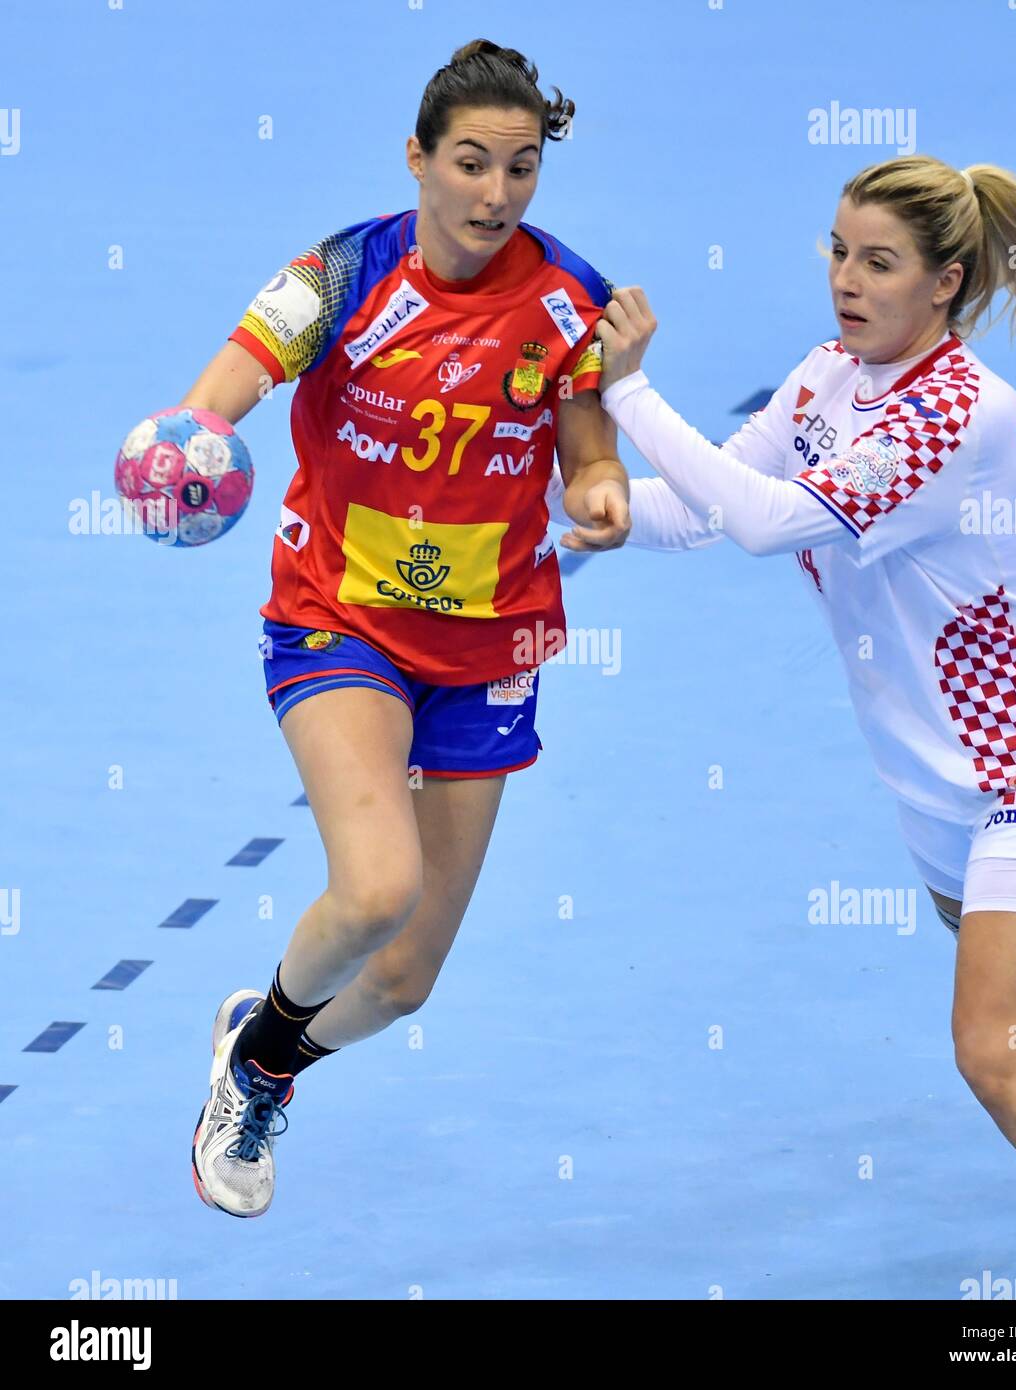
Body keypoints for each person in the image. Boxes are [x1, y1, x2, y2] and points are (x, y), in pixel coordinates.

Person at [569, 155, 1016, 1294]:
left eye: (879, 262)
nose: (846, 280)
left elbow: (775, 523)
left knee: (1003, 1053)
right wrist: (565, 519)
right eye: (837, 251)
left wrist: (628, 395)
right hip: (937, 779)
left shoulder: (964, 411)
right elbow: (702, 510)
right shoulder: (831, 376)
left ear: (946, 284)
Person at [179, 39, 630, 1218]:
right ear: (419, 158)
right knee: (376, 887)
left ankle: (264, 1044)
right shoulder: (343, 276)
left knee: (404, 978)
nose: (497, 194)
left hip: (492, 645)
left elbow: (589, 462)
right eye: (473, 163)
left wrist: (602, 502)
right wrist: (190, 439)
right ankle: (262, 1071)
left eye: (523, 168)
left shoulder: (572, 301)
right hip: (342, 621)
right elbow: (228, 380)